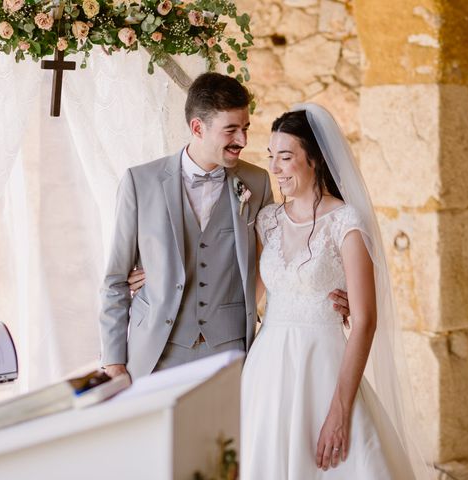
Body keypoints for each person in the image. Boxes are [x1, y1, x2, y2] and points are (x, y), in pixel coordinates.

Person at [100, 73, 349, 380]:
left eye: (245, 128)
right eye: (231, 130)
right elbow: (114, 280)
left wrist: (331, 291)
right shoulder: (140, 183)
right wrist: (113, 362)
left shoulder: (256, 183)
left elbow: (282, 256)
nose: (242, 141)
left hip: (229, 353)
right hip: (155, 352)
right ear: (197, 128)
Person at [240, 104, 433, 479]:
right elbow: (245, 294)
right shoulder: (267, 221)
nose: (275, 168)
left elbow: (365, 320)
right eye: (271, 157)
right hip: (267, 371)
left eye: (285, 157)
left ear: (314, 159)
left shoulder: (345, 221)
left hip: (324, 367)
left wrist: (340, 410)